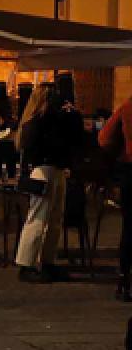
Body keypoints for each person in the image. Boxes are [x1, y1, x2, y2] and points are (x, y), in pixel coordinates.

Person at [15, 85, 83, 283]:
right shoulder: (38, 122)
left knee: (54, 220)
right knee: (38, 218)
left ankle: (47, 261)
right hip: (44, 169)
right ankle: (26, 263)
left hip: (56, 168)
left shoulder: (41, 121)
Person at [99, 98, 132, 300]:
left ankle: (124, 277)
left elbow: (104, 138)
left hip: (130, 171)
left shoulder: (128, 106)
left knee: (129, 227)